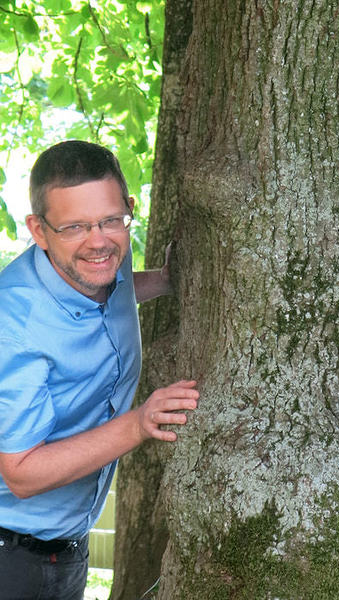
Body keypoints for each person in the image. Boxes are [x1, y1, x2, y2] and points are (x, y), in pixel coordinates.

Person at [0, 140, 199, 600]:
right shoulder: (13, 327)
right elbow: (21, 472)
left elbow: (116, 288)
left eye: (112, 220)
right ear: (39, 230)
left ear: (128, 210)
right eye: (74, 227)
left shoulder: (106, 258)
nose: (98, 240)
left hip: (68, 547)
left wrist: (166, 281)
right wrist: (138, 423)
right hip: (11, 558)